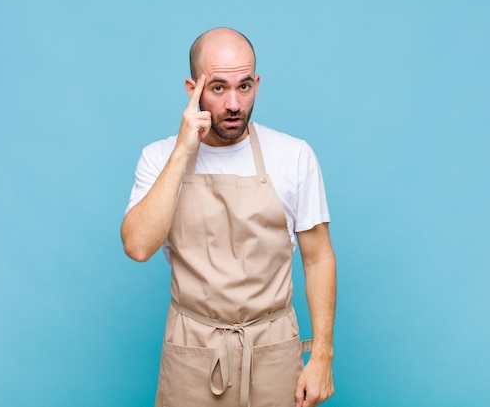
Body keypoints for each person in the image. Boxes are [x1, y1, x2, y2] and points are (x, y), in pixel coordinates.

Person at [121, 27, 336, 407]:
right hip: (192, 351)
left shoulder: (294, 155)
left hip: (272, 351)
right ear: (193, 89)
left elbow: (318, 259)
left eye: (245, 86)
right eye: (218, 88)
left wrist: (321, 356)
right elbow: (137, 246)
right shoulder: (158, 158)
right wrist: (182, 151)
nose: (234, 103)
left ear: (257, 83)